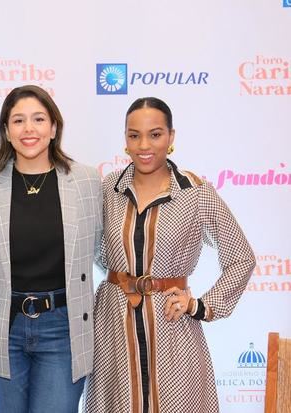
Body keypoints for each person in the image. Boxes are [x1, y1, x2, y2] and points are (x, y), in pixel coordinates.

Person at [85, 97, 256, 412]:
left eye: (155, 134)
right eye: (134, 135)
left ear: (171, 137)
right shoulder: (109, 188)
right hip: (114, 328)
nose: (144, 145)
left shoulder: (194, 192)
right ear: (125, 139)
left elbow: (241, 257)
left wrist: (200, 305)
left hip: (172, 326)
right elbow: (96, 250)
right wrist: (120, 280)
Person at [0, 85, 103, 412]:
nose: (29, 129)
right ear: (6, 131)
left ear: (53, 127)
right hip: (4, 329)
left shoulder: (87, 181)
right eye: (18, 121)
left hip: (62, 327)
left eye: (38, 119)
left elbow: (105, 246)